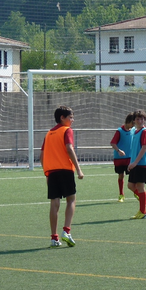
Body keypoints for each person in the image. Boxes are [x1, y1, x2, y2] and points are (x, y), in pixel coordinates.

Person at [41, 105, 84, 248]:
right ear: (62, 118)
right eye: (70, 117)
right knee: (71, 199)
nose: (73, 120)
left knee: (54, 203)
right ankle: (67, 231)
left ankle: (54, 238)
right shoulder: (67, 130)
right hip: (65, 170)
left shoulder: (48, 133)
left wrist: (46, 172)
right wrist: (78, 169)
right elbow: (69, 149)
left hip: (52, 172)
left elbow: (42, 156)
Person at [127, 110, 146, 219]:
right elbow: (135, 149)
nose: (140, 121)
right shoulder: (135, 131)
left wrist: (135, 162)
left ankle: (142, 212)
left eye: (142, 119)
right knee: (130, 186)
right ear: (134, 120)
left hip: (142, 164)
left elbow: (144, 148)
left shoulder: (144, 132)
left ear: (145, 120)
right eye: (138, 119)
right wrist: (131, 162)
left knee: (140, 187)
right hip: (135, 163)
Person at [110, 112, 134, 202]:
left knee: (133, 176)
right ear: (128, 121)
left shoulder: (134, 130)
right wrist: (119, 150)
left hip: (130, 158)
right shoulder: (119, 131)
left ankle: (137, 193)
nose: (133, 125)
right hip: (119, 159)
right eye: (133, 123)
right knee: (121, 175)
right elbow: (113, 143)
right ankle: (121, 194)